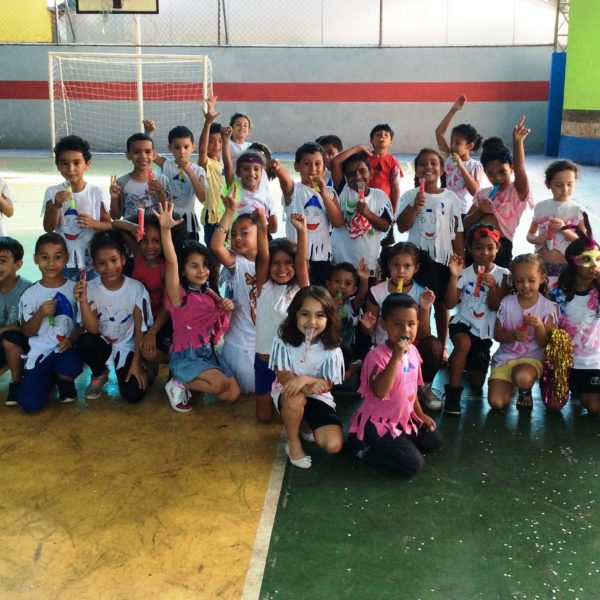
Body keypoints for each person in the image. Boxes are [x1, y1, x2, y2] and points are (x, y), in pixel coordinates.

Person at [156, 201, 239, 412]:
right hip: (186, 355)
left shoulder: (209, 293)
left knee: (232, 393)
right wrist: (165, 230)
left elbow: (219, 322)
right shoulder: (179, 295)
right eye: (194, 266)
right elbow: (172, 261)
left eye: (205, 265)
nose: (202, 271)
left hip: (207, 353)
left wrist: (226, 307)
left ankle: (189, 382)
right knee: (220, 384)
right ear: (183, 271)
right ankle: (177, 383)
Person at [348, 294, 441, 477]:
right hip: (377, 423)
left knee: (434, 440)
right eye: (397, 324)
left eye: (411, 324)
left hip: (402, 418)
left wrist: (420, 414)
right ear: (384, 324)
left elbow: (411, 389)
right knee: (413, 465)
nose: (405, 330)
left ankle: (397, 441)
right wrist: (396, 357)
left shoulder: (413, 351)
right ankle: (363, 450)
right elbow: (380, 392)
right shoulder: (377, 356)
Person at [396, 147, 464, 368]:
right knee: (415, 303)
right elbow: (402, 225)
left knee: (441, 306)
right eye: (423, 164)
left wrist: (459, 262)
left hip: (442, 261)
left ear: (442, 169)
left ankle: (441, 347)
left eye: (434, 163)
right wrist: (415, 207)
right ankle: (412, 345)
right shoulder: (409, 195)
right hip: (416, 262)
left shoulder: (451, 198)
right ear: (416, 170)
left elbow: (458, 232)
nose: (428, 167)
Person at [269, 286, 345, 469]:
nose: (312, 321)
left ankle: (304, 424)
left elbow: (327, 384)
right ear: (295, 314)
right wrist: (305, 385)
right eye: (305, 314)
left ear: (329, 318)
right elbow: (283, 375)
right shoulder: (284, 339)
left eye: (320, 315)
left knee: (333, 445)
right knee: (295, 399)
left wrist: (307, 381)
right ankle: (293, 442)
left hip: (317, 395)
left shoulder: (332, 346)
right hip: (288, 391)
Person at [74, 230, 153, 403]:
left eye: (114, 260)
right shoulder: (90, 288)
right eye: (101, 263)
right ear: (94, 265)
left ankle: (134, 367)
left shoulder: (136, 289)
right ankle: (99, 372)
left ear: (123, 259)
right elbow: (93, 329)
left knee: (133, 395)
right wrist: (83, 301)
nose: (109, 267)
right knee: (85, 342)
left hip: (127, 348)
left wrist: (136, 363)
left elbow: (141, 329)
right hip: (101, 344)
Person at [361, 242, 442, 410]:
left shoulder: (422, 292)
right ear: (388, 265)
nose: (401, 271)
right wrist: (368, 326)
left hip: (412, 347)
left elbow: (424, 335)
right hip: (384, 346)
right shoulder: (377, 291)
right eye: (396, 265)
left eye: (407, 266)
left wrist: (425, 308)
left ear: (416, 268)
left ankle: (423, 387)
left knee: (434, 346)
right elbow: (368, 330)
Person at [444, 224, 510, 415]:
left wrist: (494, 288)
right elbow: (449, 304)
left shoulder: (504, 275)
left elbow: (495, 306)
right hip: (463, 323)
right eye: (479, 247)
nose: (484, 252)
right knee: (463, 343)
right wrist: (454, 277)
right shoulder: (464, 273)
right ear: (470, 249)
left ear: (498, 249)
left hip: (484, 331)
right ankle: (452, 396)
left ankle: (460, 364)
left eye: (490, 247)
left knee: (477, 384)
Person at [16, 233, 82, 412]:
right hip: (40, 353)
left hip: (64, 350)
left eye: (58, 257)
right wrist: (40, 314)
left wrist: (72, 340)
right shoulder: (30, 295)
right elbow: (27, 331)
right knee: (29, 404)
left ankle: (64, 381)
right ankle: (48, 377)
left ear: (66, 258)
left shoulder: (74, 288)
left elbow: (81, 325)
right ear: (36, 259)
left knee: (71, 365)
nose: (51, 263)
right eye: (45, 257)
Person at [254, 209, 309, 422]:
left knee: (294, 411)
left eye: (288, 263)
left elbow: (302, 262)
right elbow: (262, 257)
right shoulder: (264, 287)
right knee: (264, 417)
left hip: (290, 364)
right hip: (264, 361)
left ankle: (296, 411)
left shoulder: (300, 291)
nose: (282, 268)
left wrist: (302, 232)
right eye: (276, 264)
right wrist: (262, 226)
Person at [488, 254, 558, 410]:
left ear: (543, 278)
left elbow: (545, 344)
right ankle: (512, 383)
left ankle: (525, 390)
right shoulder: (507, 303)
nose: (525, 285)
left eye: (531, 280)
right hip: (506, 358)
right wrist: (513, 335)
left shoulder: (548, 307)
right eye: (519, 281)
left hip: (532, 358)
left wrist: (539, 326)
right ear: (513, 280)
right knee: (496, 403)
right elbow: (497, 335)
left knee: (523, 377)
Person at [464, 117, 533, 268]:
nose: (497, 178)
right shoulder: (482, 194)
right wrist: (479, 212)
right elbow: (465, 224)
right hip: (474, 248)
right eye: (491, 174)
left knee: (498, 286)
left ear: (512, 168)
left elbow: (521, 168)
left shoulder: (517, 192)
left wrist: (517, 142)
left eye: (503, 172)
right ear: (486, 173)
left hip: (501, 249)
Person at [272, 141, 343, 285]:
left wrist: (323, 193)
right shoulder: (294, 190)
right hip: (297, 257)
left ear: (324, 167)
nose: (313, 169)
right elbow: (285, 179)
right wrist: (278, 168)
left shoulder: (329, 193)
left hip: (322, 258)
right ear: (296, 166)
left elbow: (337, 222)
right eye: (306, 164)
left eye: (318, 164)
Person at [42, 135, 112, 281]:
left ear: (87, 164)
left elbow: (109, 225)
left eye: (76, 163)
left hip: (92, 260)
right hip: (64, 260)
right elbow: (48, 228)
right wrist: (56, 206)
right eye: (64, 163)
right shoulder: (52, 192)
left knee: (91, 298)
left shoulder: (96, 192)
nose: (71, 169)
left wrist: (94, 223)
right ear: (57, 165)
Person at [210, 188, 258, 395]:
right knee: (248, 390)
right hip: (240, 343)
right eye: (234, 234)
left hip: (266, 343)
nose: (237, 238)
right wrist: (229, 212)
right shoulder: (237, 264)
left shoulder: (275, 264)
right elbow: (216, 246)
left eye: (244, 233)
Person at [548, 224, 600, 414]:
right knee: (554, 405)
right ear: (573, 262)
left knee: (595, 407)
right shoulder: (557, 295)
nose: (593, 266)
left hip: (592, 363)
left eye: (598, 260)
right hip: (564, 362)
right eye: (586, 260)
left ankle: (585, 391)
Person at [330, 151, 393, 276]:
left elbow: (386, 226)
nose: (358, 177)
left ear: (371, 173)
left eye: (362, 171)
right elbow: (335, 163)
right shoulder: (342, 191)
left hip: (368, 263)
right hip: (341, 262)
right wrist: (358, 147)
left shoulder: (379, 196)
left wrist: (368, 213)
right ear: (346, 178)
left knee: (365, 293)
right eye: (351, 174)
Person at [143, 120, 207, 241]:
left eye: (186, 147)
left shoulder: (198, 171)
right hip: (167, 218)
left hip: (188, 222)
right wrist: (148, 132)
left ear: (193, 147)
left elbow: (202, 198)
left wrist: (190, 171)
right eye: (177, 147)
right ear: (170, 148)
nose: (182, 151)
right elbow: (148, 151)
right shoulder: (166, 164)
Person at [526, 159, 584, 285]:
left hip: (565, 266)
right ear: (548, 184)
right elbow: (530, 234)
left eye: (570, 184)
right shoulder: (541, 207)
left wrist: (564, 229)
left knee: (561, 297)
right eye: (558, 185)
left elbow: (583, 241)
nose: (564, 189)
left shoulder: (576, 210)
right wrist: (536, 240)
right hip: (540, 265)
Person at [434, 95, 483, 218]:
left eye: (458, 143)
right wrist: (453, 110)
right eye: (451, 141)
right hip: (444, 209)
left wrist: (461, 167)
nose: (452, 146)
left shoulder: (474, 166)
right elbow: (439, 133)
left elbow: (475, 191)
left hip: (462, 212)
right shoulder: (449, 157)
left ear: (469, 146)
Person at [221, 131, 277, 234]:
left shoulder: (267, 197)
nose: (251, 173)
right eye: (246, 169)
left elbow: (274, 229)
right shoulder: (235, 188)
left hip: (259, 245)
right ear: (238, 172)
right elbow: (228, 167)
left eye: (256, 169)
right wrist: (225, 141)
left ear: (262, 171)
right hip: (236, 244)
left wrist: (259, 226)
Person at [0, 236, 32, 405]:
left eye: (2, 260)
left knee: (10, 338)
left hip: (22, 341)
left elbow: (30, 327)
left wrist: (4, 330)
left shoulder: (27, 289)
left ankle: (16, 382)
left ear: (18, 264)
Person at [109, 133, 169, 222]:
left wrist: (160, 192)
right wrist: (114, 198)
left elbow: (168, 212)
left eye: (147, 152)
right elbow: (115, 217)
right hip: (130, 233)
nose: (143, 156)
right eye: (136, 152)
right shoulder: (121, 182)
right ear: (128, 155)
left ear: (153, 155)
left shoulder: (162, 180)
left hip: (156, 233)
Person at [324, 260, 370, 375]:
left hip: (345, 351)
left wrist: (364, 279)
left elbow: (362, 295)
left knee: (345, 373)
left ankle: (354, 366)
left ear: (353, 290)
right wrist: (331, 309)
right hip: (326, 347)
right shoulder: (323, 304)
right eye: (337, 281)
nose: (342, 286)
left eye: (348, 283)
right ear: (328, 284)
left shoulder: (351, 305)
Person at [197, 95, 225, 246]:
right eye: (211, 141)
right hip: (212, 217)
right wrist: (208, 122)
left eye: (220, 141)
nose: (216, 145)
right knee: (214, 253)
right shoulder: (206, 163)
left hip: (226, 214)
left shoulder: (224, 164)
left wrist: (212, 110)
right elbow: (202, 150)